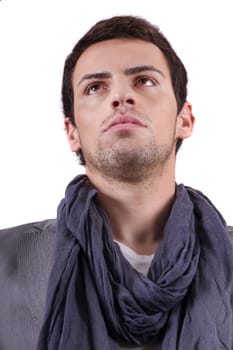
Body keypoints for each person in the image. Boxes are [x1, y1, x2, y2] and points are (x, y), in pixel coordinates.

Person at [0, 15, 233, 350]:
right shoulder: (5, 261)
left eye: (144, 81)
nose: (122, 96)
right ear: (72, 133)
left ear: (185, 119)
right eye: (95, 87)